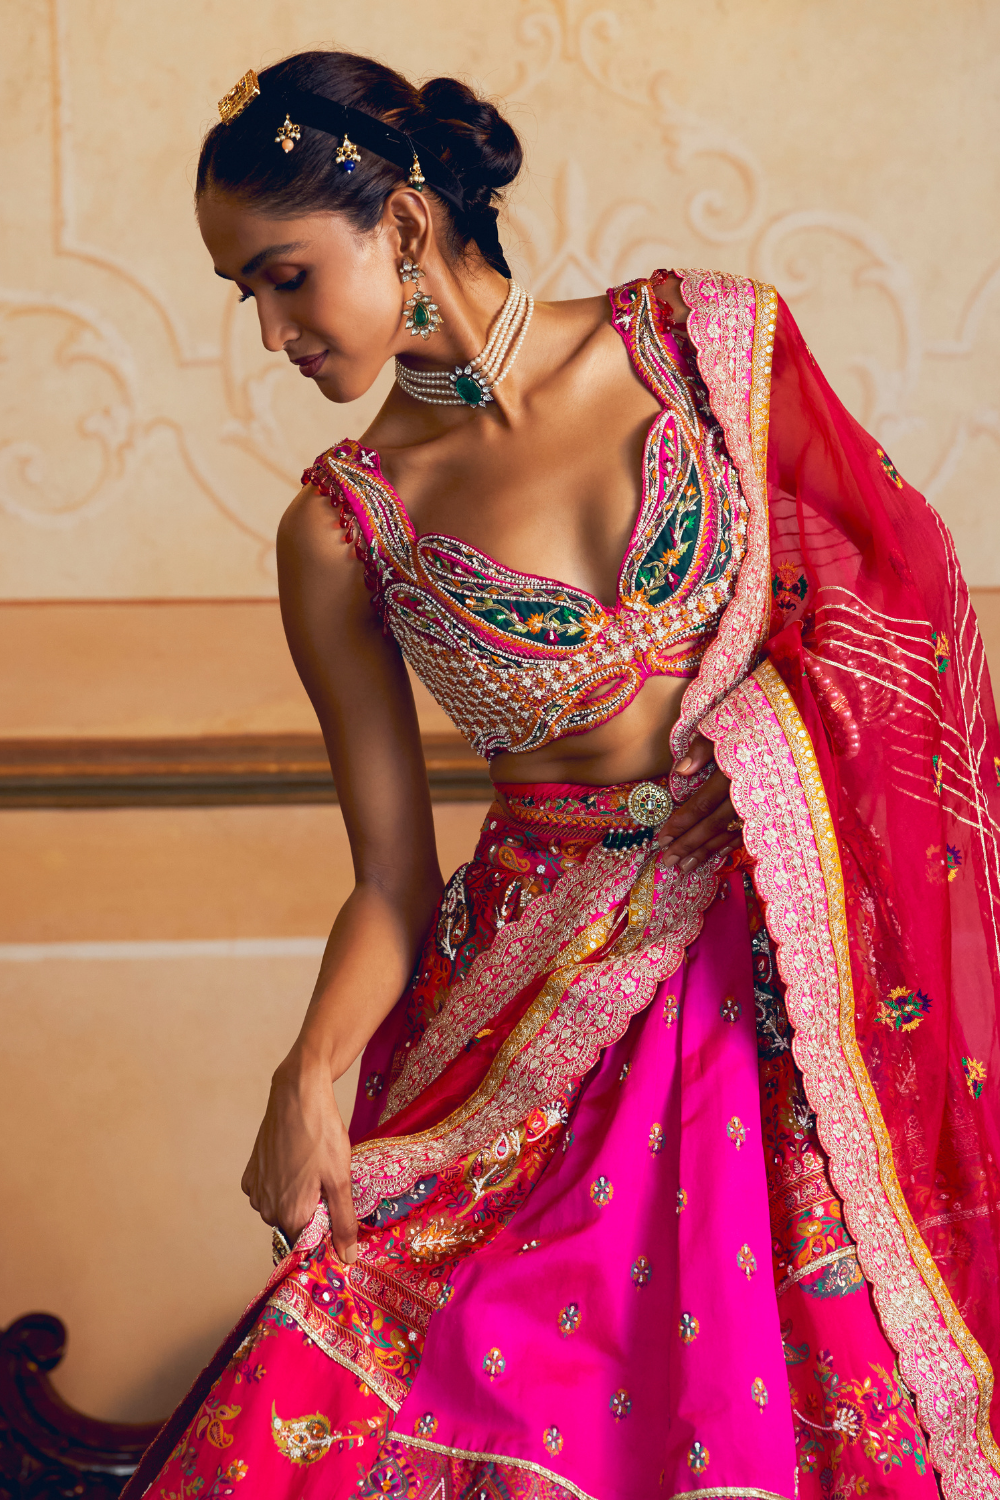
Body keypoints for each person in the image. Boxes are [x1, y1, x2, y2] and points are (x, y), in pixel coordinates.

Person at [124, 49, 1000, 1500]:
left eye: (285, 278)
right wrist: (309, 1077)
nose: (270, 331)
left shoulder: (713, 347)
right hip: (539, 1011)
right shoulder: (347, 527)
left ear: (405, 225)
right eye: (244, 295)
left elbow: (905, 601)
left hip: (790, 989)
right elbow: (390, 879)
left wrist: (773, 736)